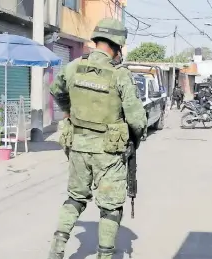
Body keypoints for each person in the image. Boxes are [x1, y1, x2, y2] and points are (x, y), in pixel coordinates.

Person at [48, 18, 147, 259]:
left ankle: (56, 251)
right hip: (109, 153)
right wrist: (134, 140)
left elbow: (56, 90)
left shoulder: (73, 66)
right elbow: (137, 120)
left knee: (74, 199)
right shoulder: (119, 74)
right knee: (110, 209)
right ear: (118, 45)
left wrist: (69, 111)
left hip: (78, 147)